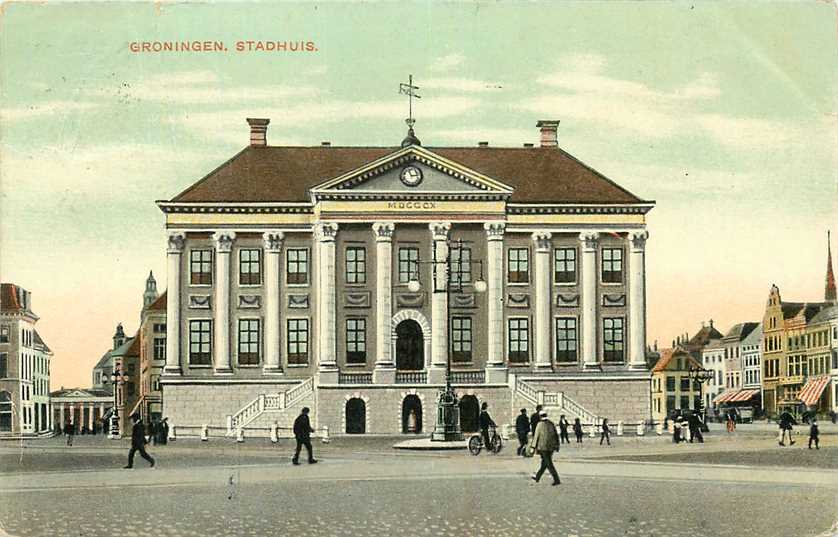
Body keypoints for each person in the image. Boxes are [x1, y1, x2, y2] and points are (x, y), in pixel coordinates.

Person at [529, 410, 560, 486]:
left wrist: (533, 446)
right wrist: (557, 445)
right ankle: (537, 477)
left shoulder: (539, 424)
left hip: (543, 447)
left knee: (548, 463)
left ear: (540, 417)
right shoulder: (551, 423)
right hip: (551, 447)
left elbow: (536, 436)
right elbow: (556, 435)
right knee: (545, 463)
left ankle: (556, 479)